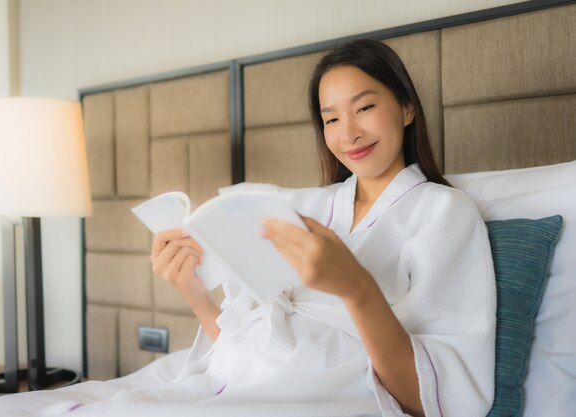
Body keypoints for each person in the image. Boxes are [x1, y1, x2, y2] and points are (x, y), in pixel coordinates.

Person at [149, 39, 496, 417]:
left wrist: (356, 287)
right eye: (331, 119)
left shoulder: (443, 211)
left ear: (407, 108)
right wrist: (193, 291)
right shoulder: (299, 208)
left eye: (364, 107)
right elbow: (250, 348)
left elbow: (435, 398)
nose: (348, 134)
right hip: (243, 386)